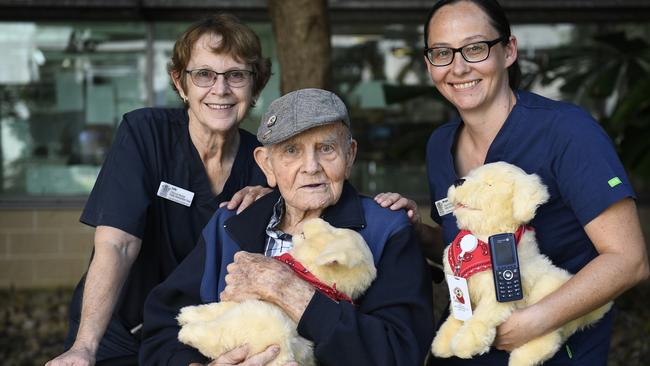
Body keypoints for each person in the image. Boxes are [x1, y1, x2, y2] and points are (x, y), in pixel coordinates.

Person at [374, 0, 650, 365]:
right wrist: (415, 231)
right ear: (429, 65)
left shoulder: (567, 132)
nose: (458, 67)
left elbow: (628, 259)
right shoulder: (441, 144)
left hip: (549, 350)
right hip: (466, 348)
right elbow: (473, 248)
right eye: (442, 53)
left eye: (475, 48)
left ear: (508, 51)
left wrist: (535, 320)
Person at [139, 88, 434, 366]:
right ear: (267, 165)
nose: (311, 166)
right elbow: (162, 326)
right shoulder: (229, 225)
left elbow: (400, 352)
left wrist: (290, 290)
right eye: (291, 151)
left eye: (327, 148)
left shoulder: (386, 229)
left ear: (350, 156)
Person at [47, 14, 273, 366]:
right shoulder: (145, 133)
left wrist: (387, 206)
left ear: (255, 86)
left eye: (237, 75)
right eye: (204, 75)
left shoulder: (266, 163)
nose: (221, 89)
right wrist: (84, 347)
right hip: (119, 330)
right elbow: (117, 244)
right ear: (180, 83)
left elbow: (323, 216)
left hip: (200, 340)